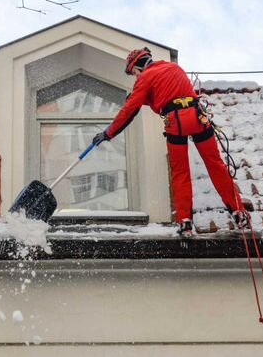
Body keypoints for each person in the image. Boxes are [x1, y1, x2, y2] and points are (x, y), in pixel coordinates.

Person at [92, 47, 250, 237]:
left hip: (176, 121)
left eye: (134, 73)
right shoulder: (174, 68)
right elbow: (170, 92)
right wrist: (144, 98)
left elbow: (129, 111)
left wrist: (108, 133)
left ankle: (184, 221)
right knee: (215, 164)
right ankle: (238, 211)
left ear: (139, 66)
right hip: (198, 117)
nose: (135, 77)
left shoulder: (145, 78)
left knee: (180, 172)